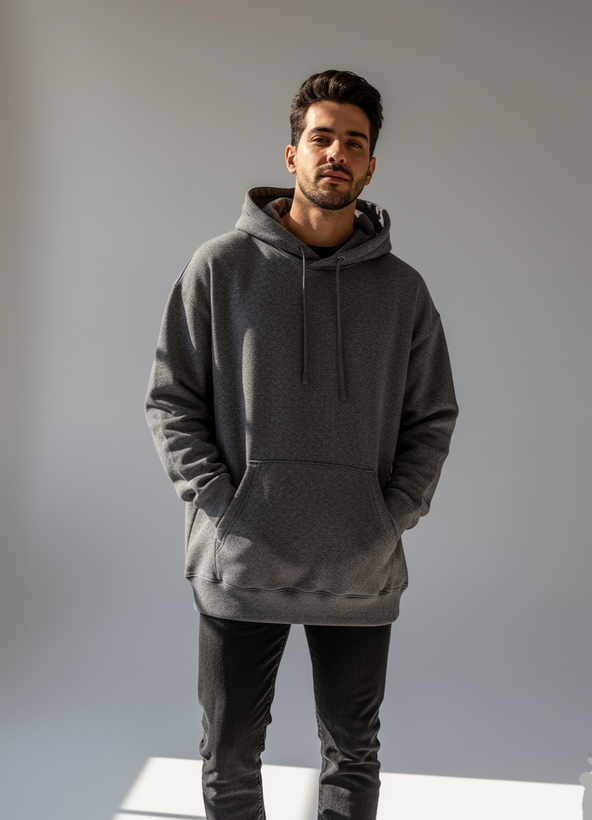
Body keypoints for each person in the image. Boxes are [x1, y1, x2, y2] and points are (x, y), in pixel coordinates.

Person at [145, 69, 458, 820]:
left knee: (353, 755)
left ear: (371, 165)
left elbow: (432, 418)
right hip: (242, 557)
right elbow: (171, 399)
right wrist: (224, 508)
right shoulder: (220, 268)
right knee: (229, 757)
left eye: (354, 142)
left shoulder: (403, 293)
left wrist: (389, 517)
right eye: (322, 138)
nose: (336, 154)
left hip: (358, 563)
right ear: (292, 155)